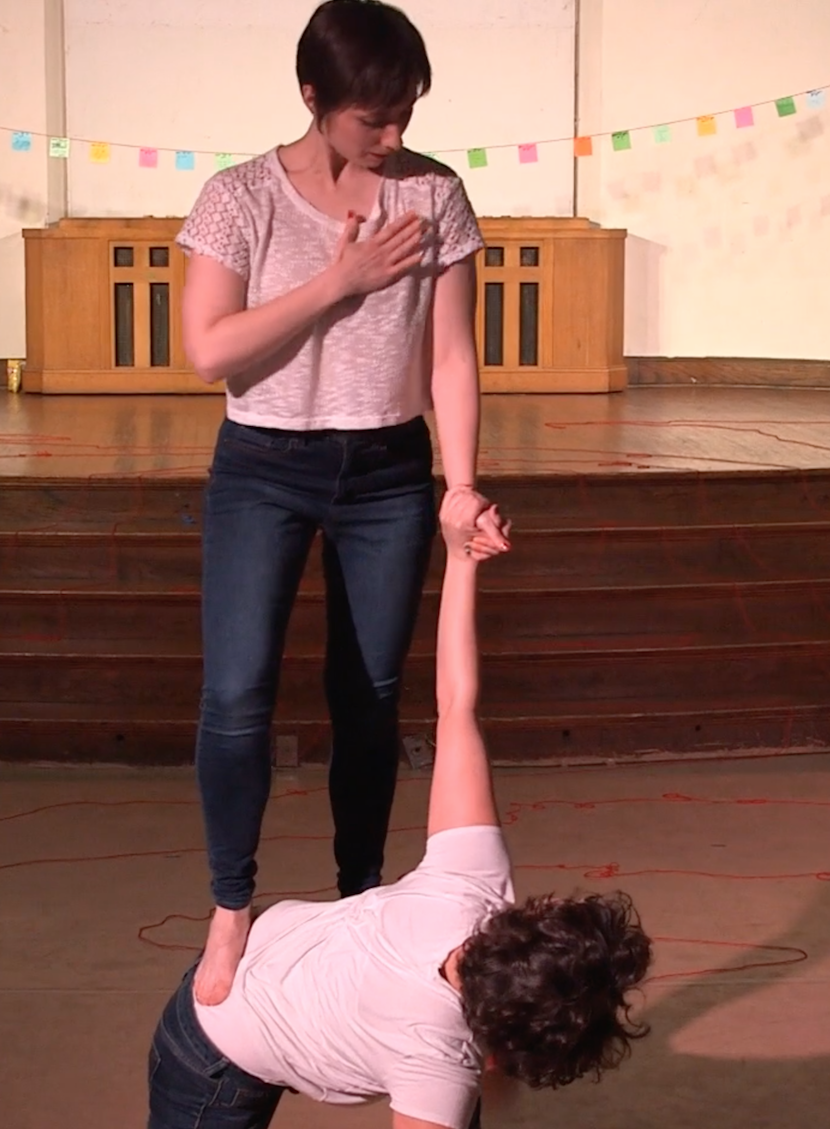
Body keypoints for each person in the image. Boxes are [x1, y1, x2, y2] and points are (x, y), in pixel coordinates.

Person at [0, 493, 653, 1129]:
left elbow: (457, 704)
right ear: (493, 1047)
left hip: (282, 963)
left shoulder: (477, 886)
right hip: (214, 1049)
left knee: (472, 1061)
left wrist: (457, 558)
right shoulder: (435, 1065)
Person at [173, 0, 503, 1007]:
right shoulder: (239, 198)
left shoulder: (435, 193)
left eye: (404, 111)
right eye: (373, 116)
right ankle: (233, 905)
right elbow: (209, 348)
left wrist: (459, 484)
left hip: (387, 471)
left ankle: (362, 903)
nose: (393, 134)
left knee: (367, 699)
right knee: (235, 696)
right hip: (263, 462)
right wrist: (340, 278)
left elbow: (450, 353)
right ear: (314, 98)